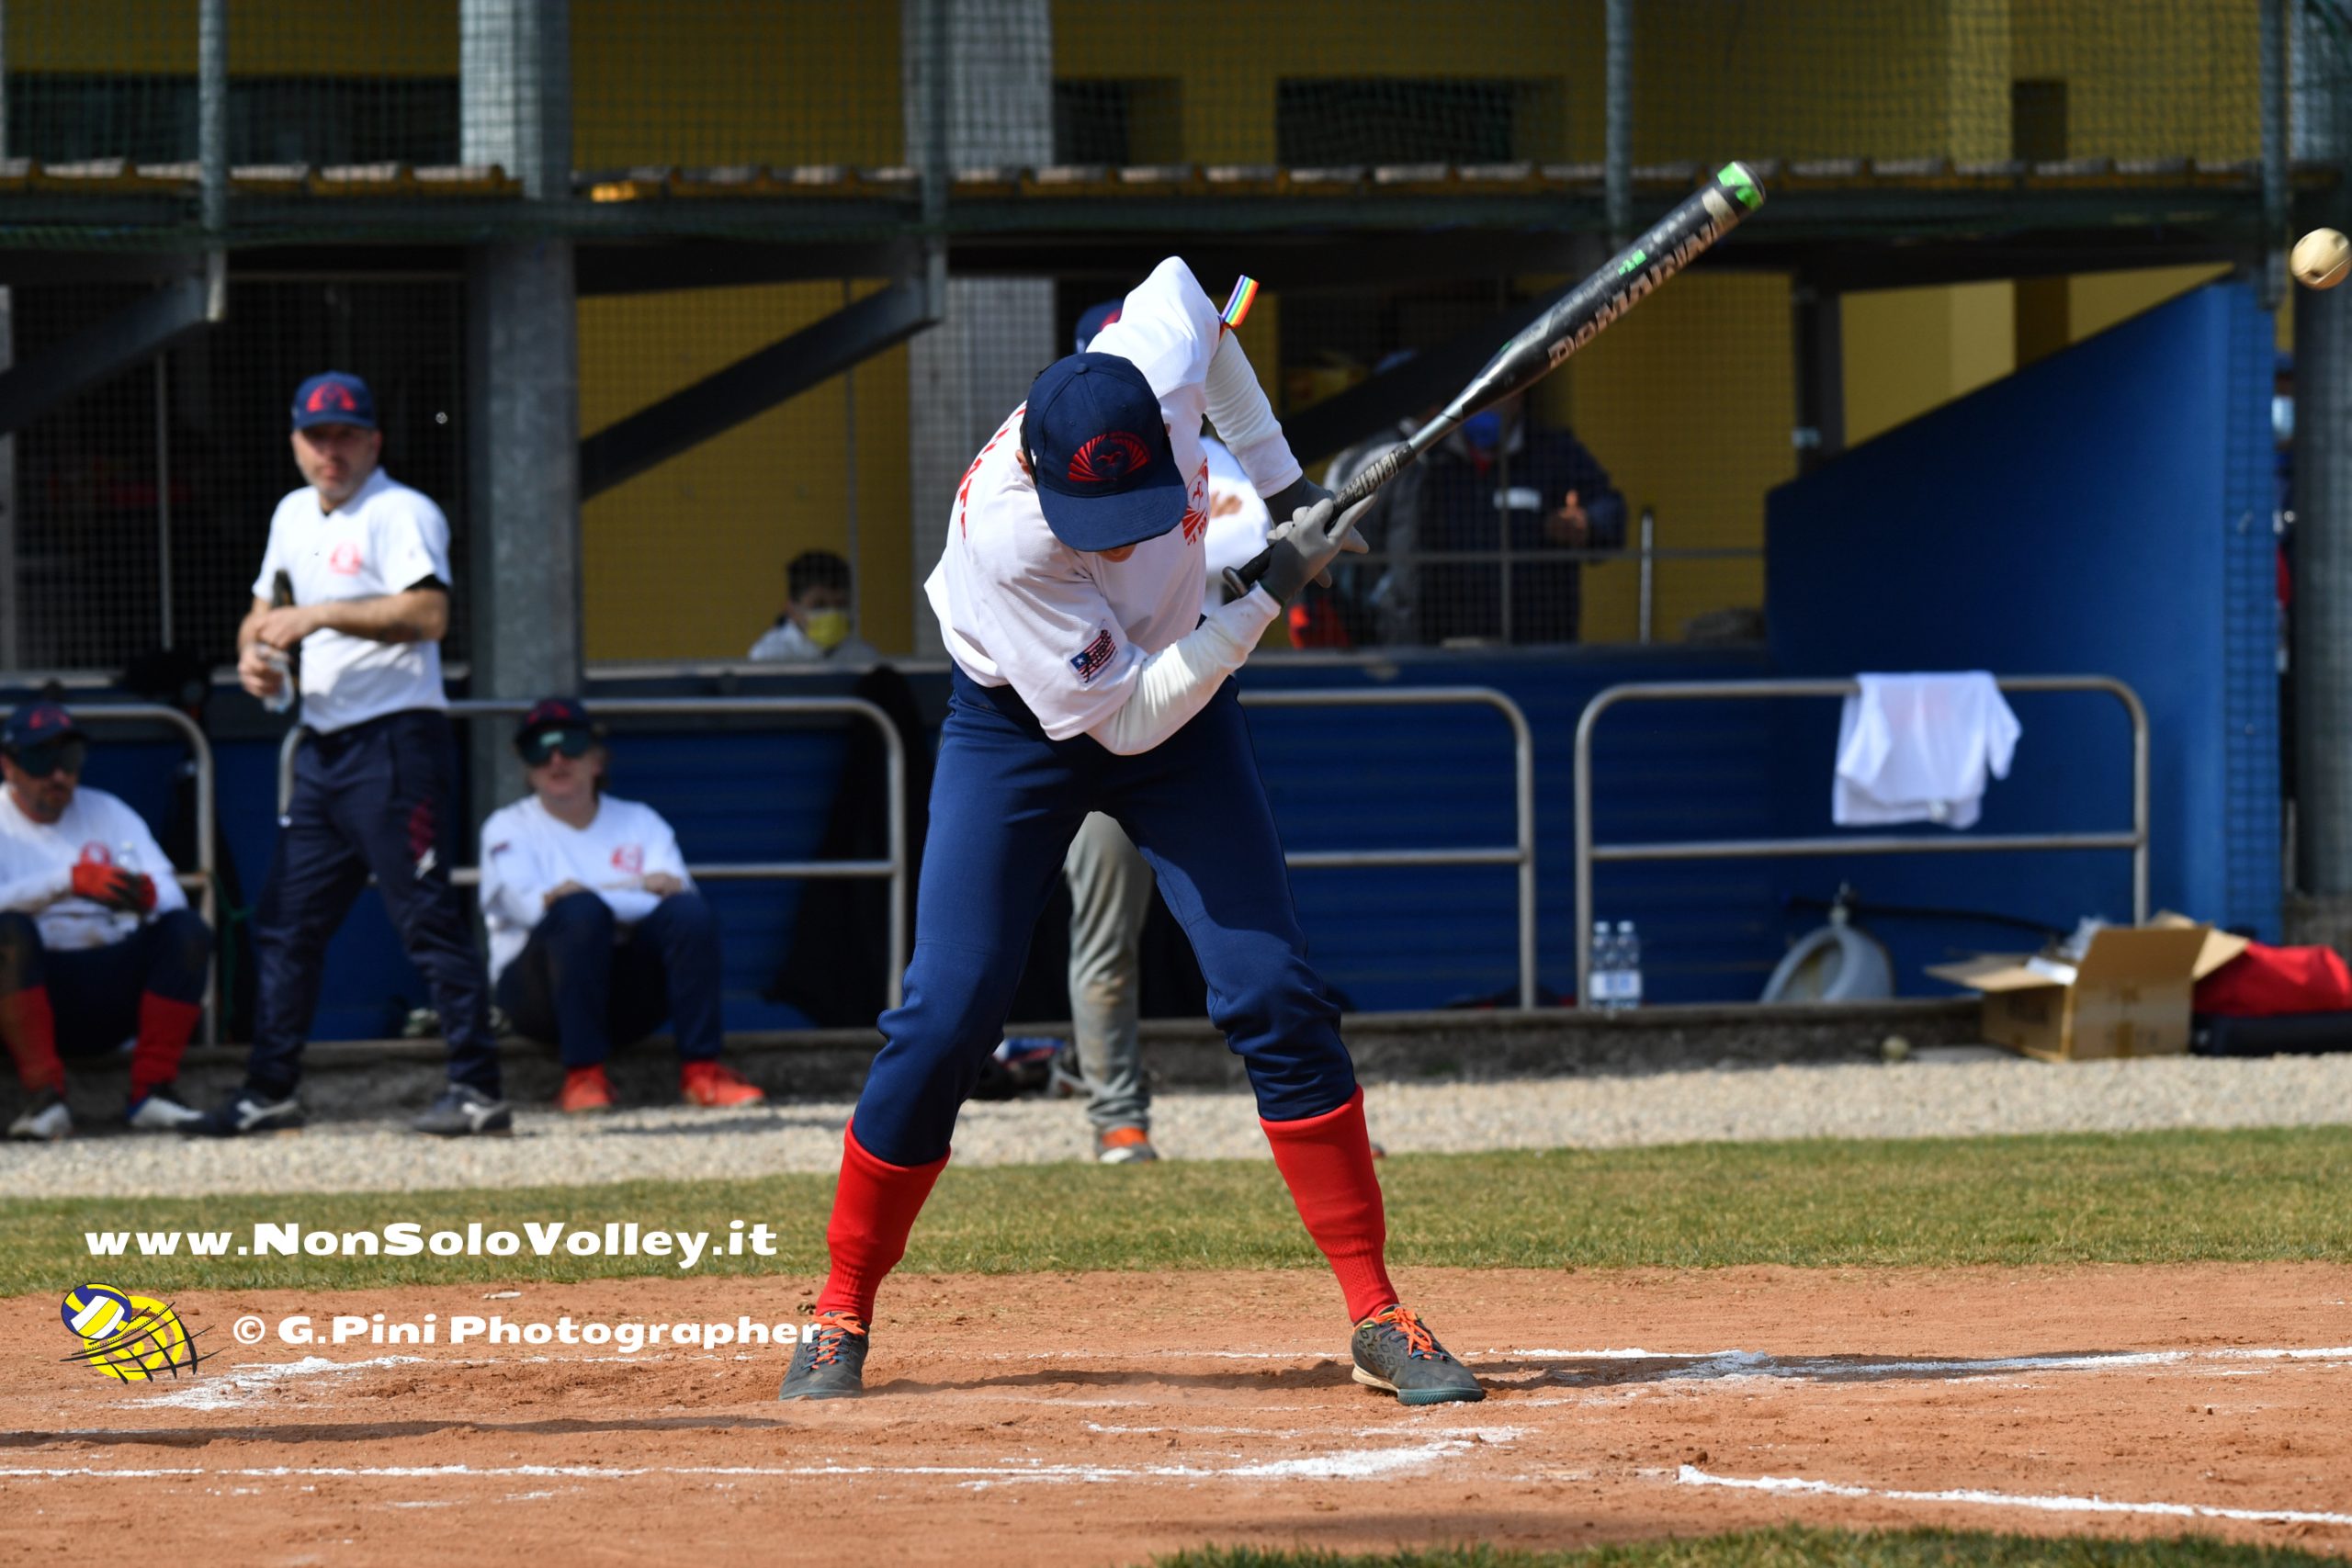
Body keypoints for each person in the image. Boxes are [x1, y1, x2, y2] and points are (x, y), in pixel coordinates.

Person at [775, 256, 1483, 1407]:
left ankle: (1376, 1309)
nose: (1117, 539)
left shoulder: (1149, 354)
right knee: (946, 1013)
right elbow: (1126, 719)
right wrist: (1266, 595)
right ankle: (842, 1301)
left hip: (1187, 706)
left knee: (1273, 992)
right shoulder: (1010, 540)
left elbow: (1208, 322)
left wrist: (1283, 485)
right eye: (1094, 525)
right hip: (1024, 725)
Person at [203, 370, 507, 1138]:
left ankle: (478, 1089)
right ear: (297, 441)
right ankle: (269, 1088)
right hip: (323, 747)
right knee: (284, 922)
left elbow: (429, 612)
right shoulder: (291, 513)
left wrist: (317, 617)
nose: (329, 450)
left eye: (345, 435)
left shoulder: (402, 510)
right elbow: (261, 615)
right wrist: (253, 656)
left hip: (398, 742)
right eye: (316, 435)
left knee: (425, 917)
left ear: (373, 440)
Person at [1052, 299, 1276, 1165]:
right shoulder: (1049, 470)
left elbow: (1253, 535)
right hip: (1098, 714)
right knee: (1103, 928)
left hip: (1194, 714)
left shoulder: (1201, 456)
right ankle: (1118, 1115)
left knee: (1252, 930)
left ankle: (1285, 1103)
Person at [479, 698, 767, 1114]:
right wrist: (632, 892)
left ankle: (702, 1072)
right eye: (539, 750)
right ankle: (582, 1076)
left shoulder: (641, 821)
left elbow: (679, 897)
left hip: (627, 997)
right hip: (538, 999)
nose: (556, 759)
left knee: (688, 914)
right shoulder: (506, 826)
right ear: (526, 765)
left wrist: (579, 893)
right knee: (579, 915)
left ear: (597, 758)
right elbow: (529, 909)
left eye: (571, 746)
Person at [0, 701, 212, 1138]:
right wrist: (66, 882)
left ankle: (153, 1091)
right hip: (26, 997)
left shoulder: (108, 811)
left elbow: (169, 892)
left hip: (108, 986)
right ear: (9, 766)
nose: (59, 776)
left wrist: (142, 895)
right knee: (8, 932)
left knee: (187, 932)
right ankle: (44, 1100)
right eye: (42, 760)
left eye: (70, 760)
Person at [1419, 393, 1625, 645]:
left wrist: (1587, 524)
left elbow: (1610, 510)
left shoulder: (1554, 453)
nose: (1484, 407)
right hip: (1450, 642)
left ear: (1517, 398)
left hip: (1537, 645)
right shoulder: (1432, 463)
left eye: (1493, 396)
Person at [748, 549, 882, 663]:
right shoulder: (767, 656)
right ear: (791, 610)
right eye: (819, 605)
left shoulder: (864, 657)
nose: (832, 613)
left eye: (841, 604)